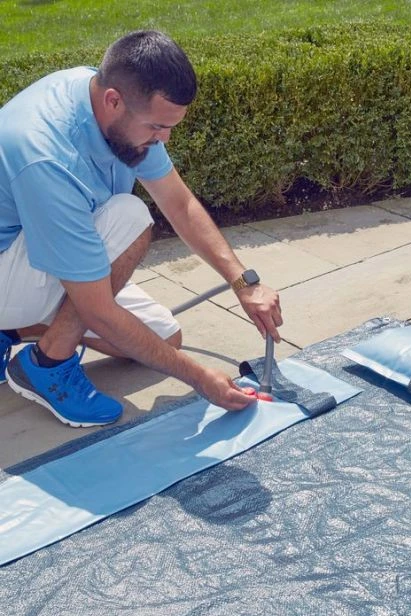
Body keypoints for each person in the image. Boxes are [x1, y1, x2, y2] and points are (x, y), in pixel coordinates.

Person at [0, 30, 283, 427]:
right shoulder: (46, 156)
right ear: (113, 101)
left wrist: (242, 281)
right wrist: (200, 378)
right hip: (8, 260)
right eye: (156, 127)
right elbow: (97, 311)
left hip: (30, 250)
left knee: (165, 339)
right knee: (129, 217)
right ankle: (47, 364)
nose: (164, 138)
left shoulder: (109, 100)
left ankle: (12, 329)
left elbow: (179, 203)